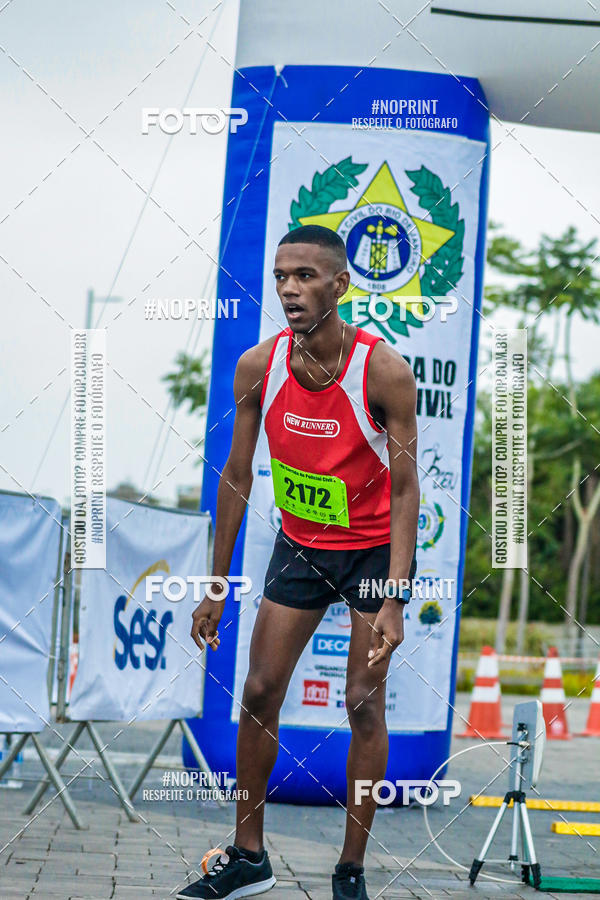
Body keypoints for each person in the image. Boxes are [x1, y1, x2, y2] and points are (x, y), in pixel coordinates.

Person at [177, 224, 419, 900]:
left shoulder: (384, 371)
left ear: (340, 285)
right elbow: (236, 477)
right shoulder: (258, 366)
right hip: (303, 544)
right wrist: (215, 587)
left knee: (361, 704)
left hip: (373, 551)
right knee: (257, 691)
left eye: (306, 275)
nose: (289, 287)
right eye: (282, 275)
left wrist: (395, 597)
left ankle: (350, 868)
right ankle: (248, 855)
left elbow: (405, 489)